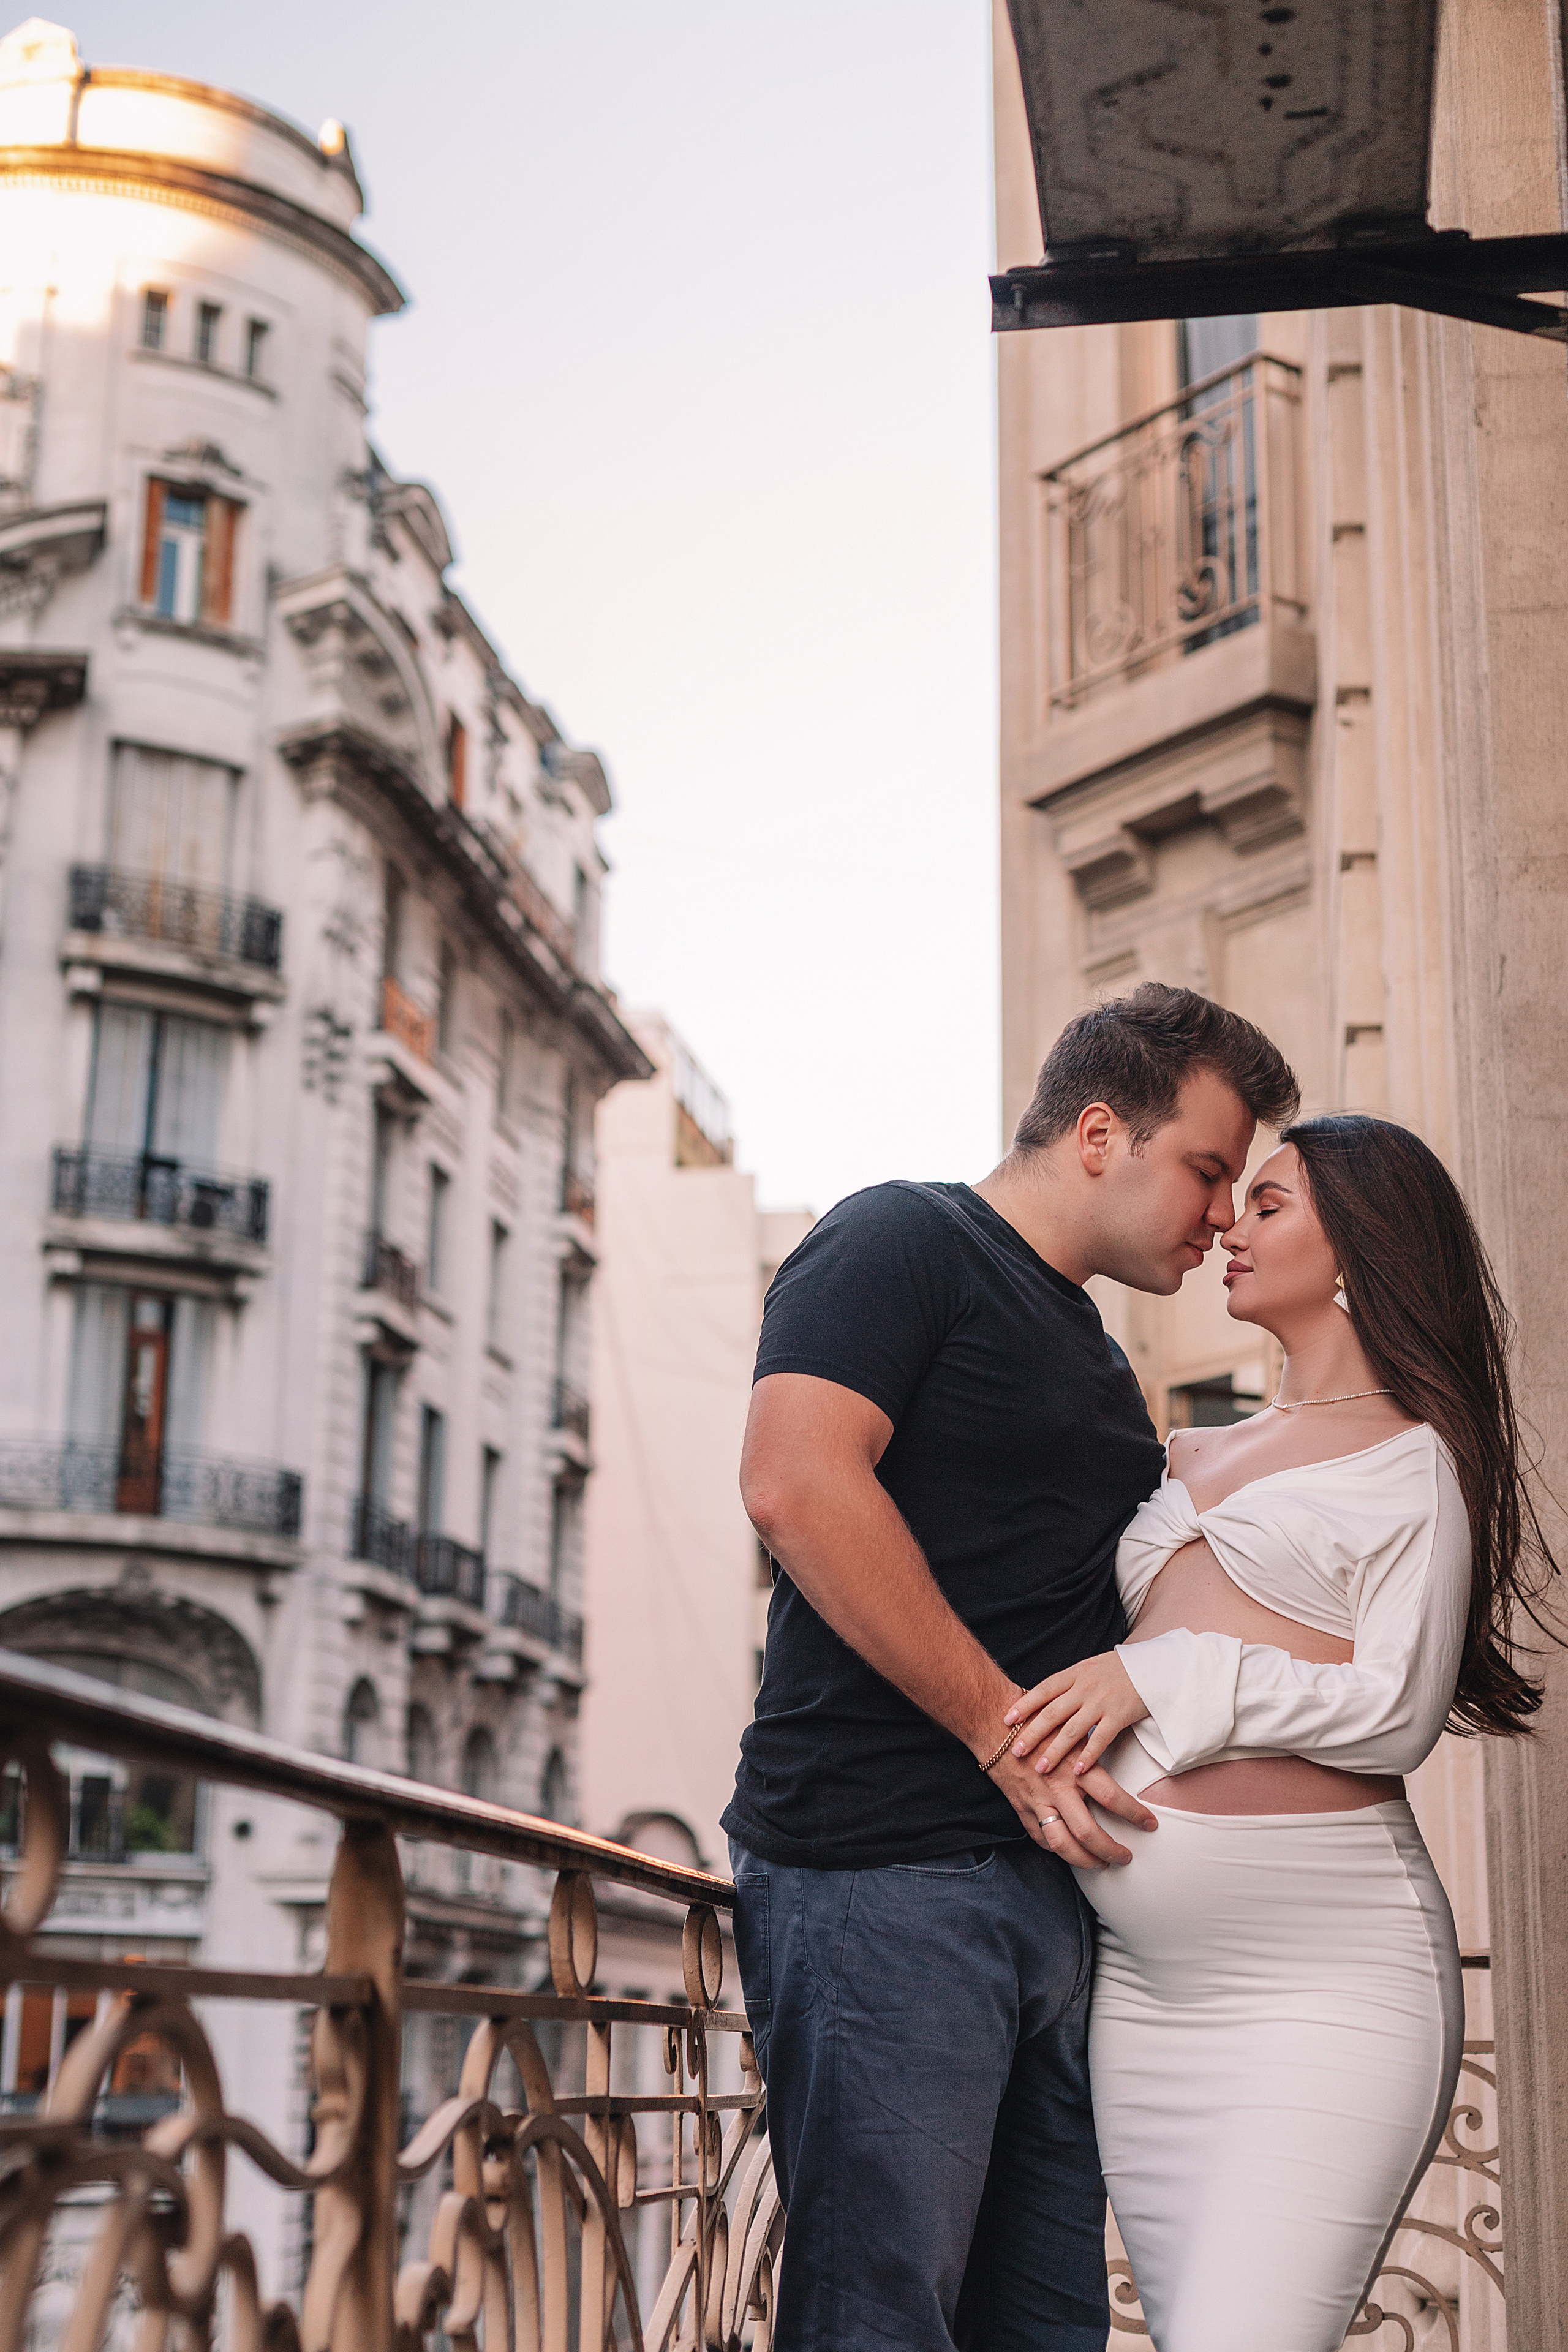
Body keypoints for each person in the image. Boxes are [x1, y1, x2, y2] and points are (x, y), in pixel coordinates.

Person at [723, 982, 1301, 2351]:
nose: (1221, 1213)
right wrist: (996, 1729)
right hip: (883, 1877)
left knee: (1042, 2329)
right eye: (1208, 1170)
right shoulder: (896, 1238)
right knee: (881, 2320)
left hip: (1055, 1905)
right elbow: (794, 1484)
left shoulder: (1098, 1359)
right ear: (1100, 1133)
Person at [1005, 1113, 1557, 2352]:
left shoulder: (1411, 1460)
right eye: (1232, 1202)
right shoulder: (1183, 1450)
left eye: (1267, 1205)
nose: (1226, 1229)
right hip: (1144, 1999)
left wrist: (1174, 1674)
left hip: (1326, 1990)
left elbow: (1394, 1713)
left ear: (1357, 1244)